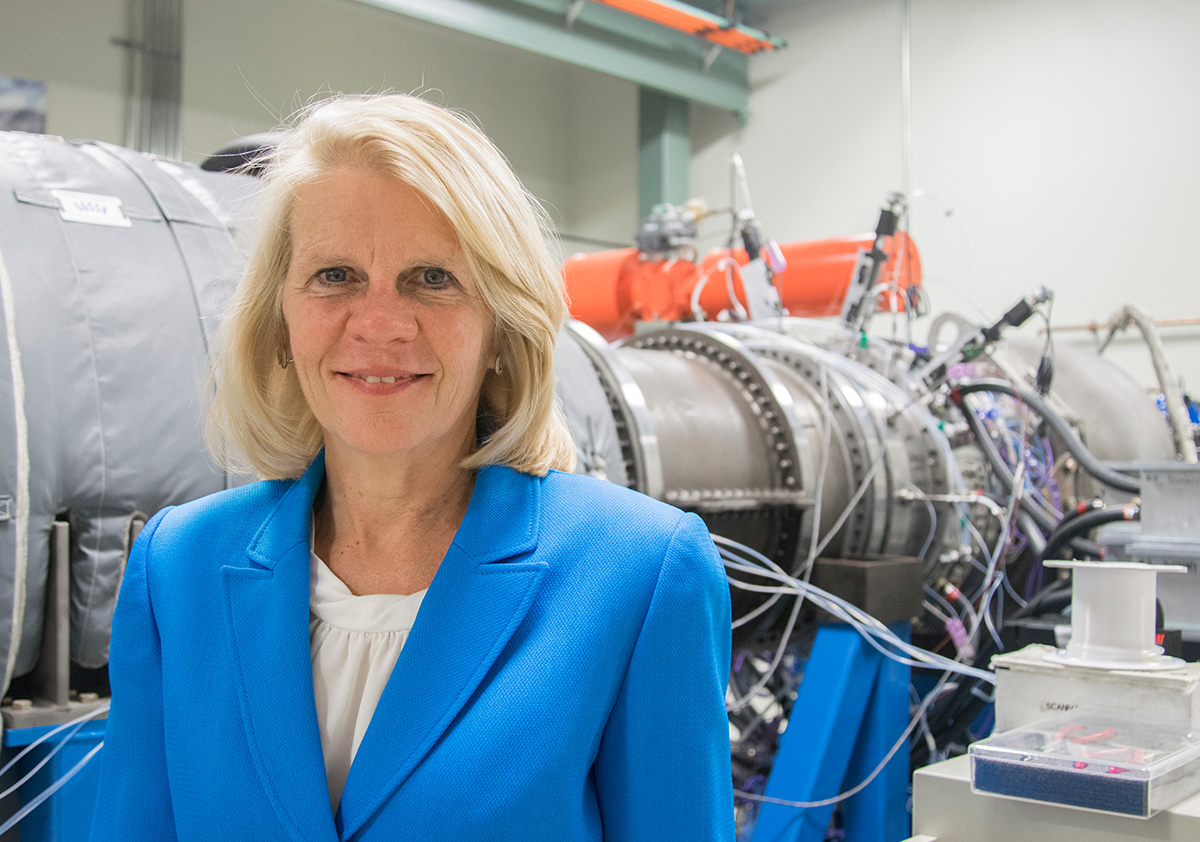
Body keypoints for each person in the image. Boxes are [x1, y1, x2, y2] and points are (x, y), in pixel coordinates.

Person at [90, 94, 734, 841]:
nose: (381, 325)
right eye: (335, 276)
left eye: (432, 278)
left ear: (501, 326)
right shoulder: (179, 568)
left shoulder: (639, 576)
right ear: (279, 323)